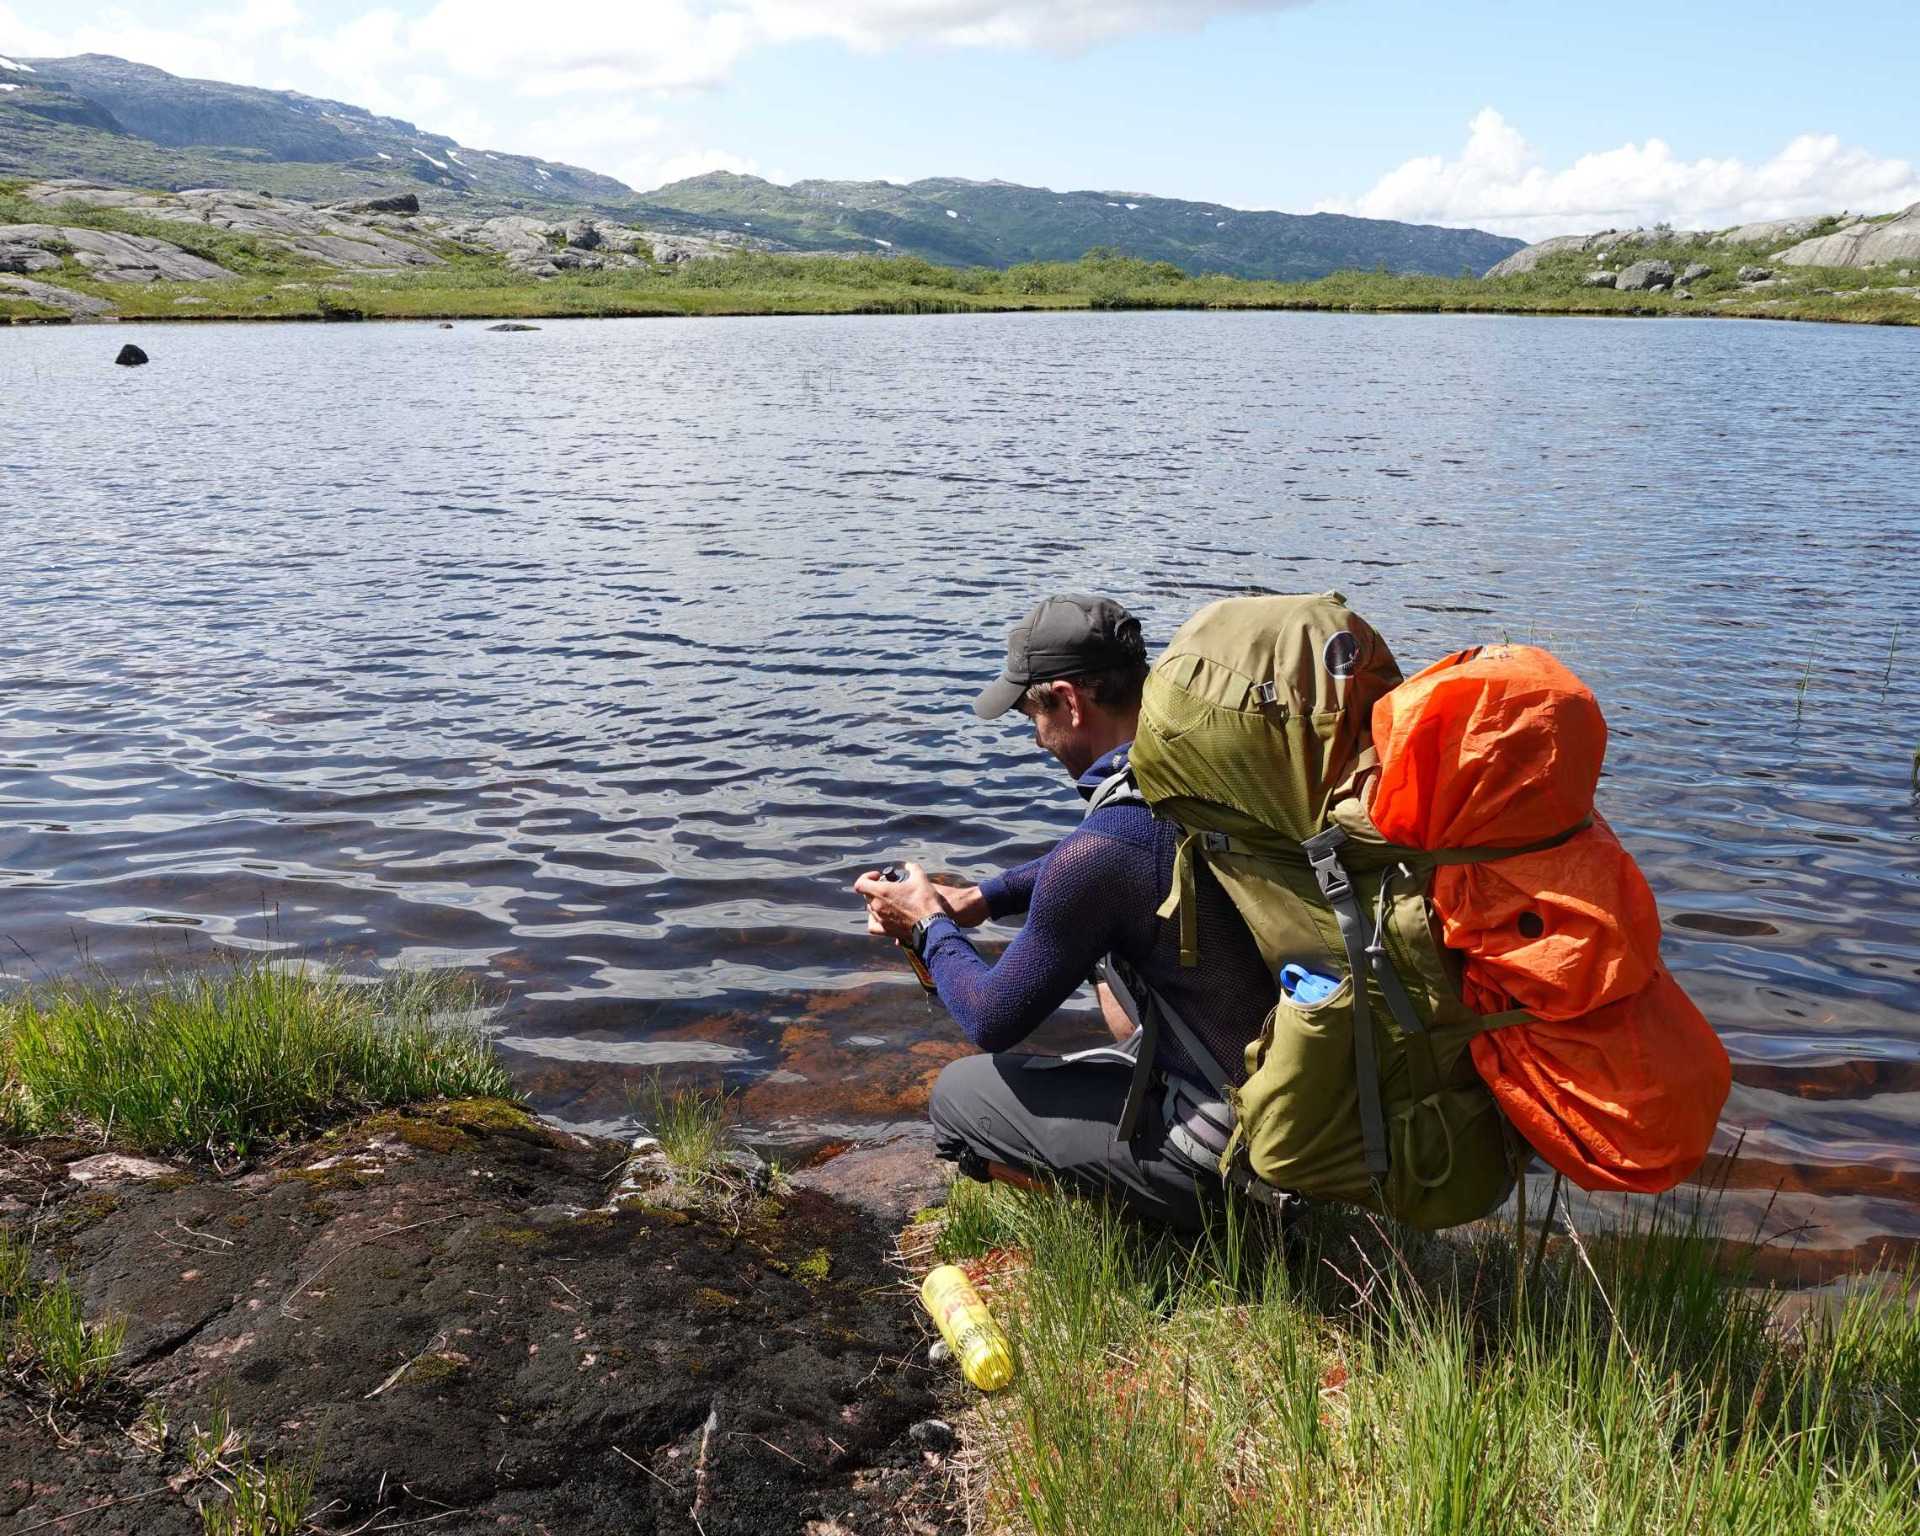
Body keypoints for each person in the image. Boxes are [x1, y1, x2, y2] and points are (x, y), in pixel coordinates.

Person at [854, 594, 1277, 1229]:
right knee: (1103, 951)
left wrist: (927, 925)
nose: (1034, 733)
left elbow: (992, 1017)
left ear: (1069, 701)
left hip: (1226, 1159)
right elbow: (1098, 869)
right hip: (1295, 1109)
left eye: (1031, 711)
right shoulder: (1205, 769)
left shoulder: (1110, 847)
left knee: (958, 1098)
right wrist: (979, 901)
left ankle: (1172, 1222)